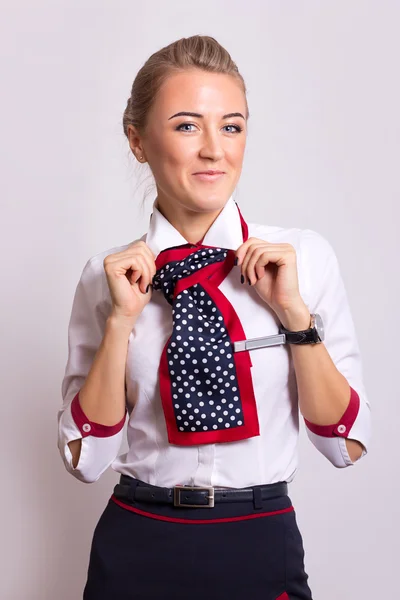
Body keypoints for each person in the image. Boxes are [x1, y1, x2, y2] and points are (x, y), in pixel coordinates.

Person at [57, 35, 371, 600]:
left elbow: (344, 446)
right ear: (137, 141)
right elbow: (86, 459)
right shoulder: (105, 277)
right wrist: (120, 323)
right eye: (186, 126)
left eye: (231, 126)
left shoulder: (303, 259)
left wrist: (294, 316)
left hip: (259, 539)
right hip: (137, 541)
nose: (213, 150)